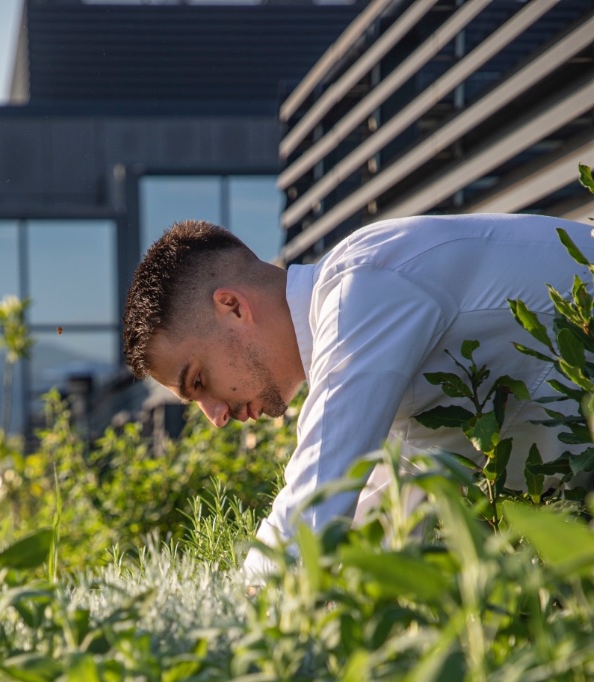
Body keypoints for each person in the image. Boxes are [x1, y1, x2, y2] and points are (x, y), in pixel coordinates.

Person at [122, 214, 592, 580]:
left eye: (198, 382)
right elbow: (376, 523)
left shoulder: (361, 288)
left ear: (233, 307)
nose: (215, 417)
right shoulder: (376, 365)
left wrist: (224, 627)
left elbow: (313, 506)